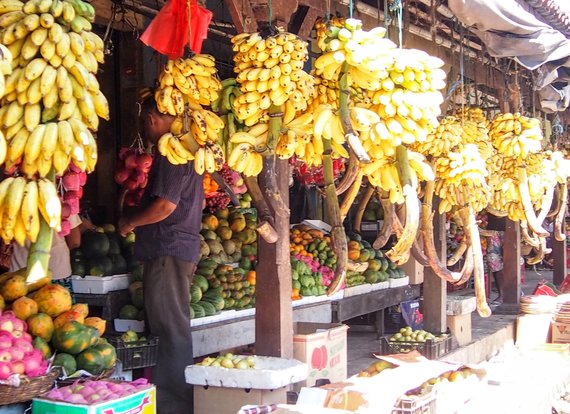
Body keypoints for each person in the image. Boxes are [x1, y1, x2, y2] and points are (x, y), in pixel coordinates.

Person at [119, 96, 204, 414]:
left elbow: (165, 206)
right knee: (172, 324)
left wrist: (131, 221)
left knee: (169, 328)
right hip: (178, 246)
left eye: (147, 119)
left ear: (155, 118)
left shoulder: (172, 154)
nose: (146, 125)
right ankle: (172, 399)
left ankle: (173, 404)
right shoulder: (188, 152)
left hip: (167, 248)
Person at [10, 214, 82, 290]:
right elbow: (75, 242)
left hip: (18, 272)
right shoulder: (63, 203)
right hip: (57, 270)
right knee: (61, 301)